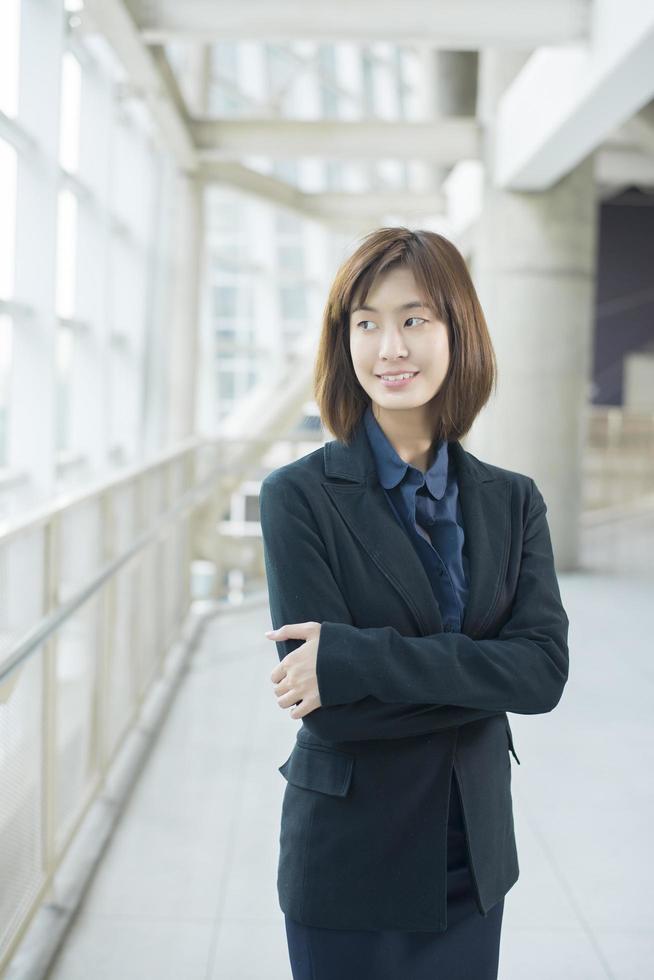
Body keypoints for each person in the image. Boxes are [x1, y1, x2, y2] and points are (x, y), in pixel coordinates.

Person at [259, 226, 570, 980]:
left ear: (457, 331)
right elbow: (333, 709)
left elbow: (542, 676)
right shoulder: (296, 496)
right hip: (348, 856)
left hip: (472, 854)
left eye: (414, 319)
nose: (389, 346)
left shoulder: (513, 501)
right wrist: (481, 674)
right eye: (366, 322)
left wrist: (358, 654)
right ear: (345, 341)